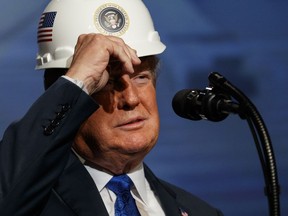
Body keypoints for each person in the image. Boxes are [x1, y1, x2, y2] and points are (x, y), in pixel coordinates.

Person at [0, 0, 223, 215]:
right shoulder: (31, 203)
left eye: (141, 77)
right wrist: (78, 78)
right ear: (72, 95)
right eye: (107, 82)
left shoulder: (200, 211)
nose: (131, 99)